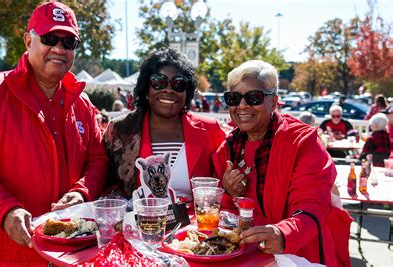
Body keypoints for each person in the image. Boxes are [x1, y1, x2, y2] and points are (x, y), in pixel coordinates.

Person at [0, 2, 108, 265]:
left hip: (63, 253)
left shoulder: (82, 104)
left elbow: (98, 159)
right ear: (28, 40)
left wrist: (82, 193)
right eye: (50, 38)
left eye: (68, 42)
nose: (58, 48)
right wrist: (5, 210)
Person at [213, 60, 351, 266]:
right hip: (245, 256)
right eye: (233, 98)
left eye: (254, 97)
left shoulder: (303, 142)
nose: (242, 105)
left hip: (300, 255)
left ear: (274, 102)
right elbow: (222, 212)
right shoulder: (228, 148)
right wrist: (227, 191)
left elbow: (312, 206)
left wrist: (282, 233)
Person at [103, 47, 225, 202]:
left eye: (178, 84)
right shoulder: (120, 130)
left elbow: (224, 182)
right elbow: (105, 182)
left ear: (187, 92)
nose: (168, 90)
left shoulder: (210, 129)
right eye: (159, 82)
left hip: (196, 224)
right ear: (146, 88)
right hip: (140, 222)